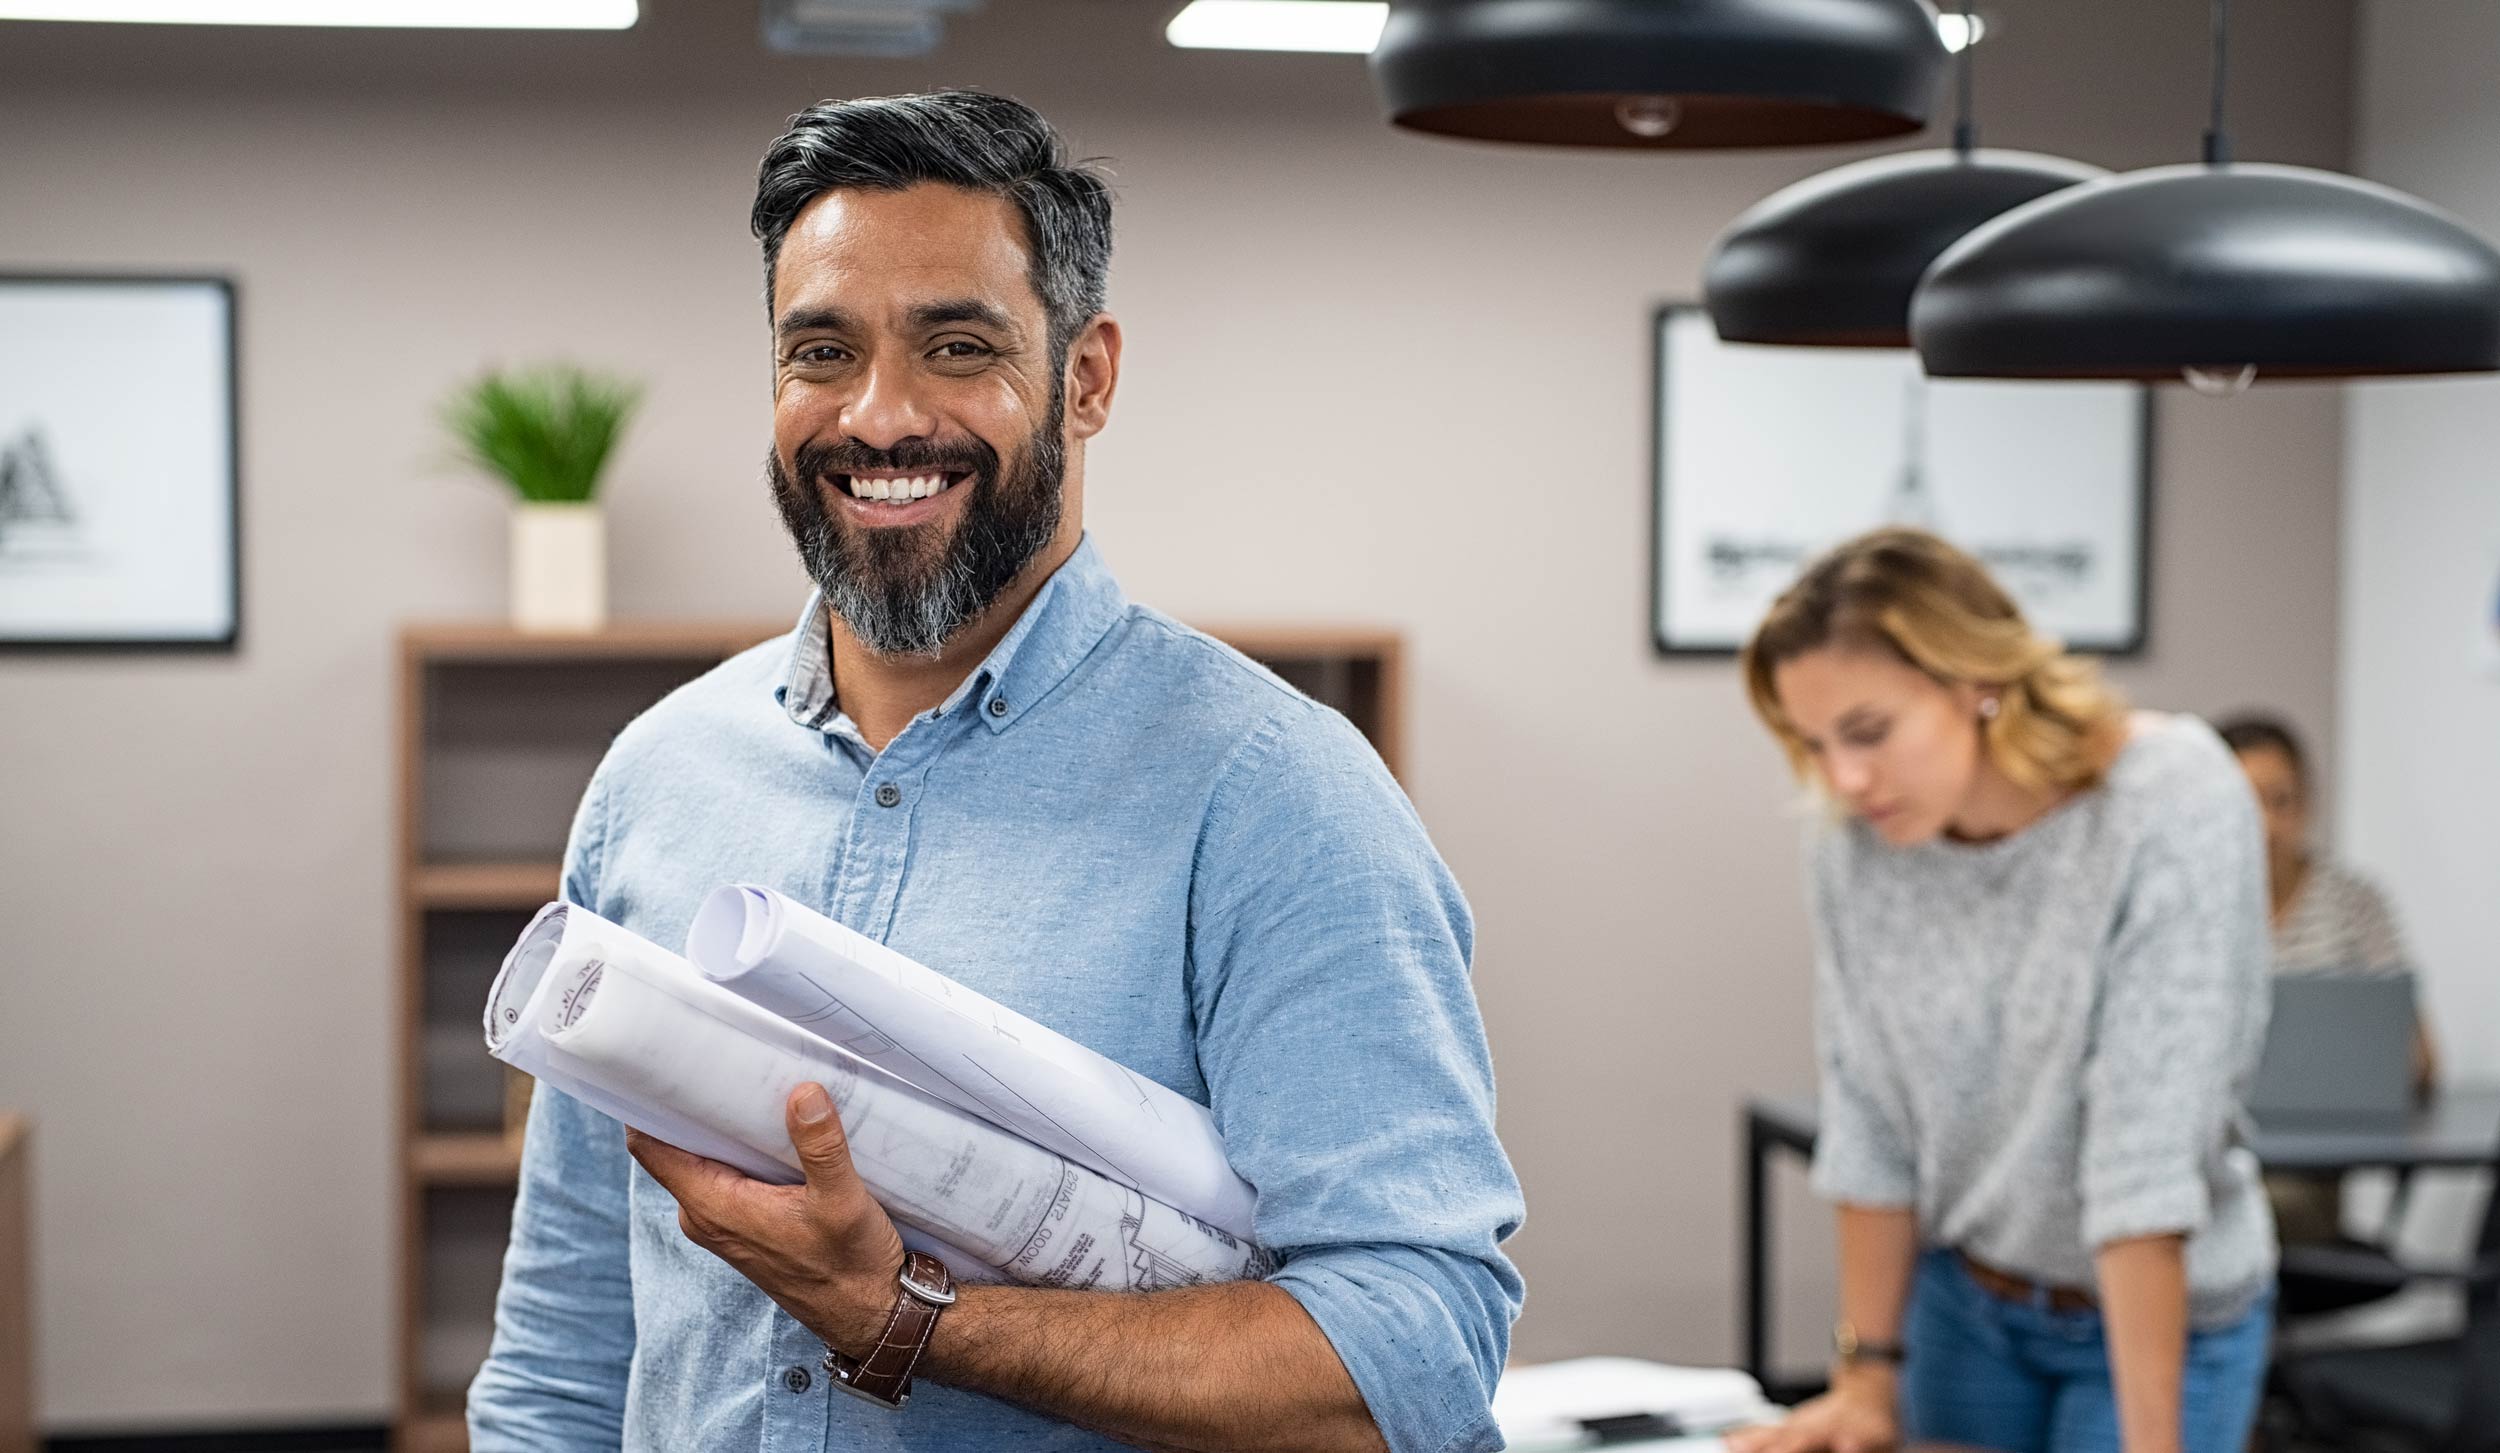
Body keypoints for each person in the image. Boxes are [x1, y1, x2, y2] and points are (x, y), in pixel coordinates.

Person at [465, 90, 1524, 1453]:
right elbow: (566, 1345)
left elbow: (1413, 1354)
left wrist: (913, 1319)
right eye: (821, 351)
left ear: (1086, 378)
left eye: (956, 345)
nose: (880, 415)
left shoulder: (1278, 799)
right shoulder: (659, 776)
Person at [1724, 530, 2277, 1453]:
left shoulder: (2171, 800)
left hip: (2157, 1319)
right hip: (1966, 1305)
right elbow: (1870, 1116)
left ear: (1977, 678)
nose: (1844, 778)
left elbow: (2142, 1164)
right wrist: (1864, 1381)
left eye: (1868, 731)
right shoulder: (1853, 840)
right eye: (1812, 742)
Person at [2216, 712, 2435, 1249]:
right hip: (2209, 1157)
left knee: (2257, 1214)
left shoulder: (2354, 903)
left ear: (2307, 803)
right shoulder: (2187, 908)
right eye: (2245, 804)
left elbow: (2421, 1059)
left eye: (2280, 801)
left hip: (2308, 1173)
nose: (2265, 824)